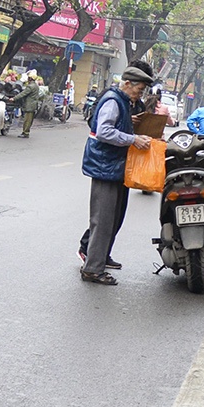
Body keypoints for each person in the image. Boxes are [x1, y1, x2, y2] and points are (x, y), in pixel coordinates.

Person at [79, 64, 152, 284]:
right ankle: (92, 269)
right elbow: (104, 131)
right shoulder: (113, 100)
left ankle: (99, 260)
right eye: (139, 90)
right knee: (102, 221)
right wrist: (133, 139)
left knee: (113, 218)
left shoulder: (125, 101)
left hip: (116, 167)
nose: (140, 94)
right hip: (105, 167)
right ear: (127, 84)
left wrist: (131, 126)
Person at [17, 71, 46, 138]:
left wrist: (14, 98)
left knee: (27, 120)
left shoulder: (30, 86)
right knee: (29, 120)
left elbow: (23, 94)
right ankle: (25, 132)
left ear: (30, 78)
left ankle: (25, 132)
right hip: (33, 105)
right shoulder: (35, 85)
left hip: (29, 105)